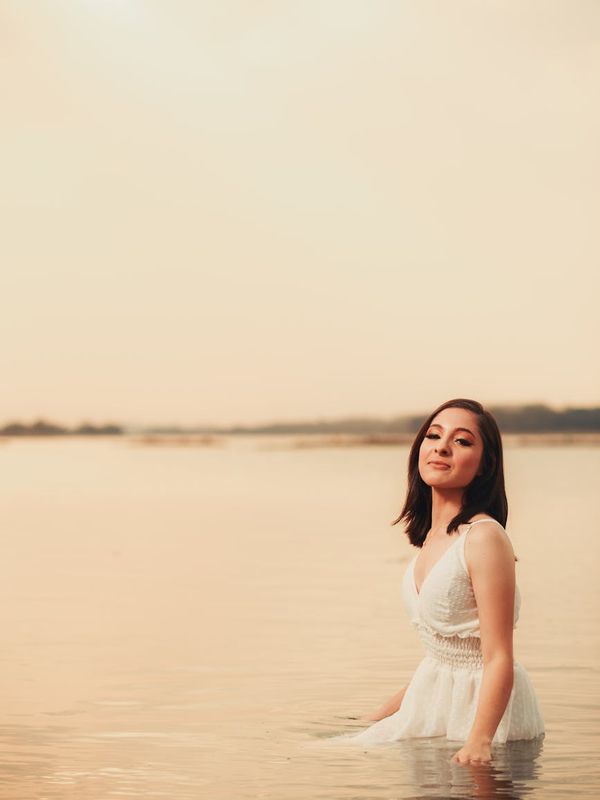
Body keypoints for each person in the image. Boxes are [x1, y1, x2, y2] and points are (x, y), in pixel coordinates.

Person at [326, 398, 545, 764]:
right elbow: (442, 661)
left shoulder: (484, 538)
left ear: (484, 465)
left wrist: (480, 740)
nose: (442, 446)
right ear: (419, 450)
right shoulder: (432, 539)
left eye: (462, 441)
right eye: (434, 435)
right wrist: (380, 713)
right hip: (437, 709)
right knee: (326, 750)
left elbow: (497, 657)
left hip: (484, 719)